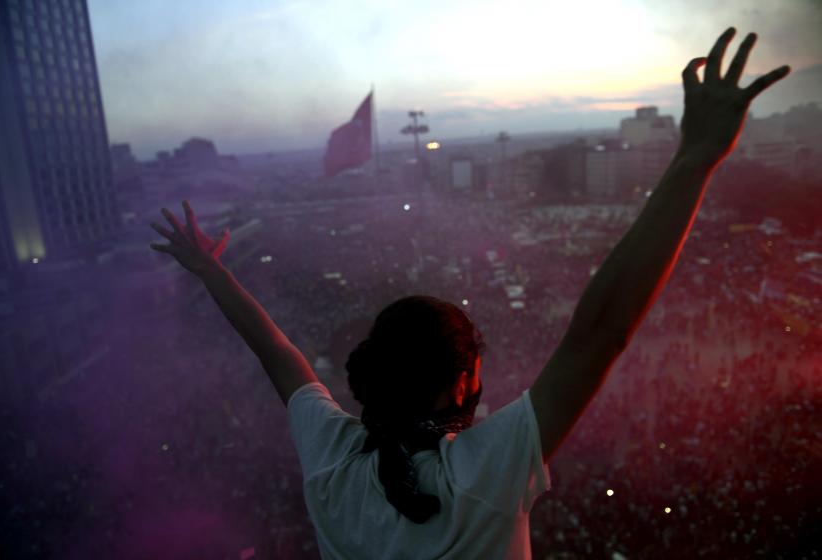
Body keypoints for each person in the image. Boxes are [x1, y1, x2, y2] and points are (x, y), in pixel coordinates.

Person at [150, 28, 790, 559]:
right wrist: (696, 158)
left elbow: (276, 353)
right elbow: (602, 327)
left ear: (372, 375)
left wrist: (212, 275)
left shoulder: (331, 462)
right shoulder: (485, 472)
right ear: (462, 382)